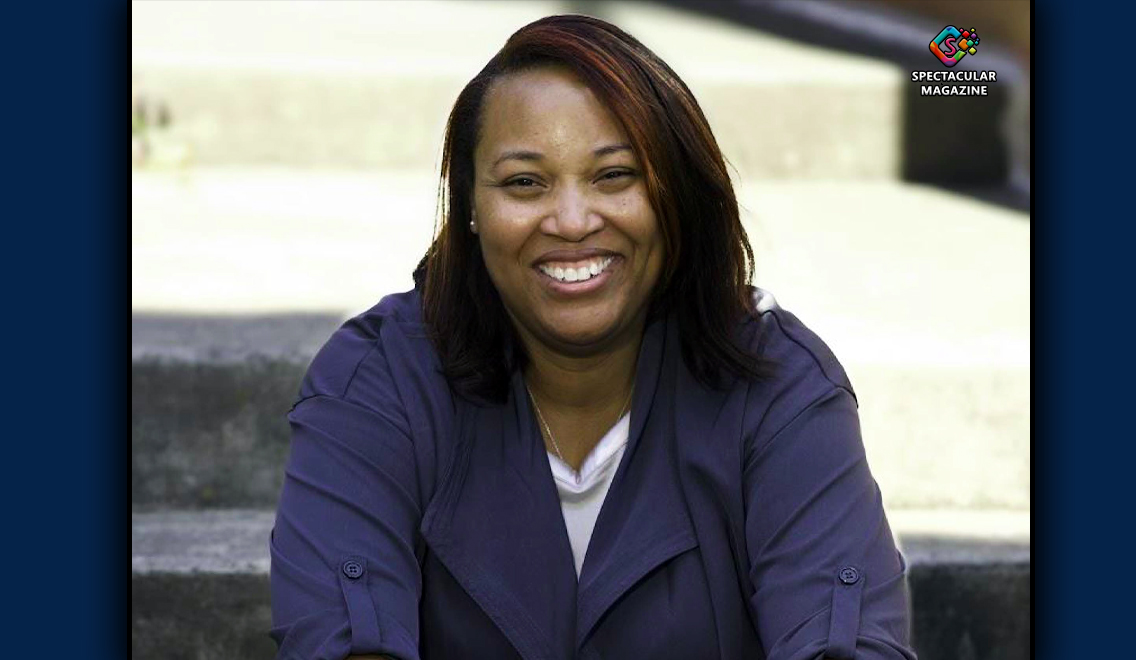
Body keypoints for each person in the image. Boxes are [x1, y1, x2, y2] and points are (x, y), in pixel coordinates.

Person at [269, 14, 917, 660]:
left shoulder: (777, 384)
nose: (573, 221)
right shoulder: (378, 381)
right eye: (525, 182)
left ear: (676, 195)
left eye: (614, 176)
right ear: (470, 204)